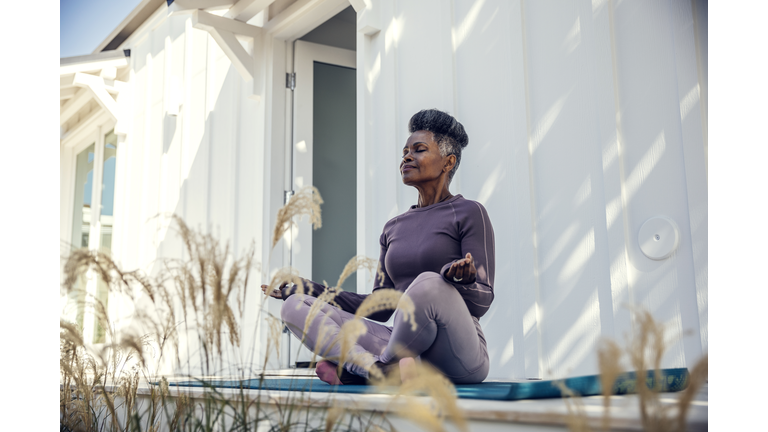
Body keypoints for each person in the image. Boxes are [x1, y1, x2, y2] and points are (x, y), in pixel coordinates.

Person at [261, 109, 495, 385]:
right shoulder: (394, 227)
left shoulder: (469, 212)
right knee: (295, 306)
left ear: (448, 162)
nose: (407, 157)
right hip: (405, 349)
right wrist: (309, 288)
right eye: (405, 151)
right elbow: (380, 306)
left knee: (429, 282)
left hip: (458, 355)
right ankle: (376, 368)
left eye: (419, 150)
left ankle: (375, 369)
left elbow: (483, 300)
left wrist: (463, 281)